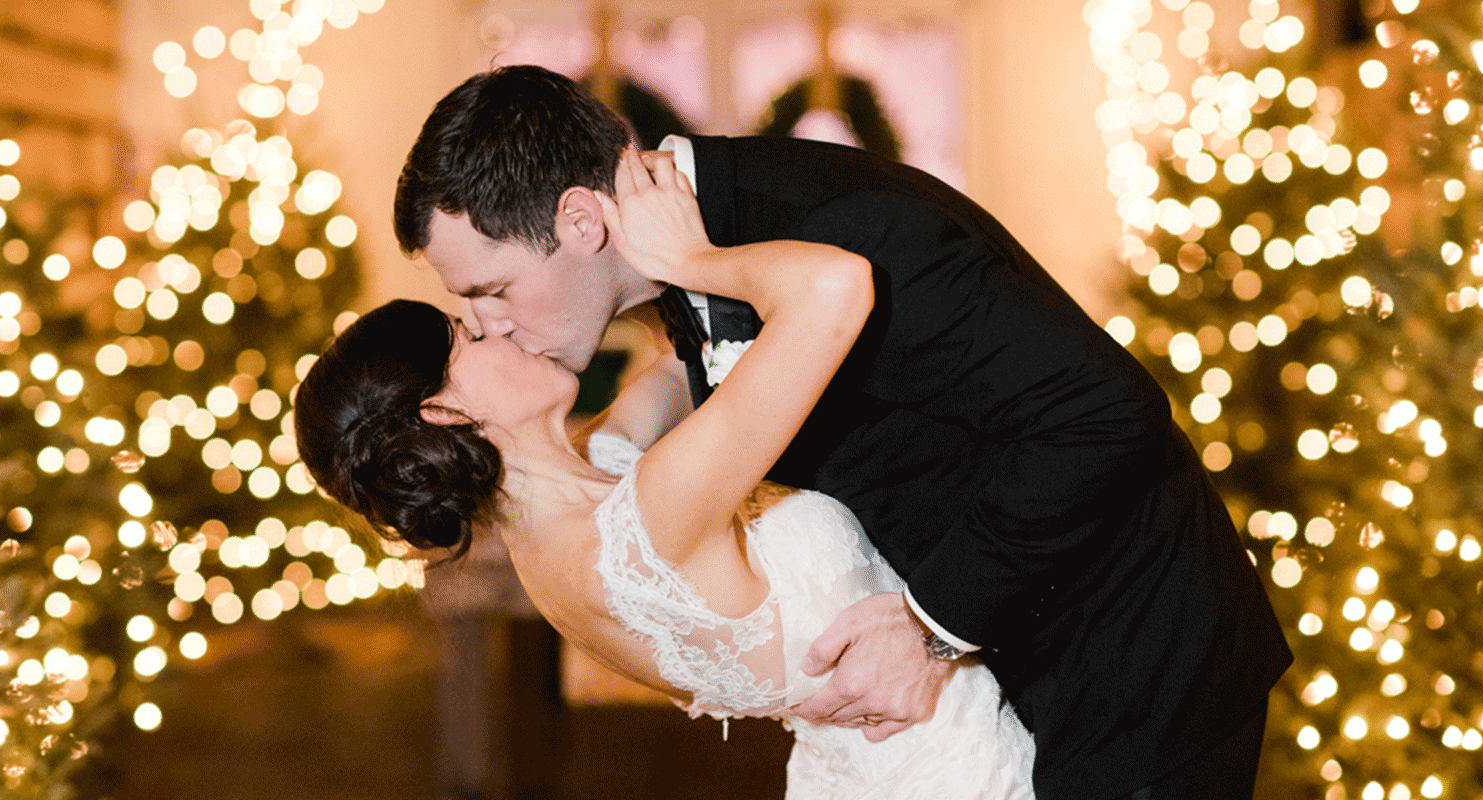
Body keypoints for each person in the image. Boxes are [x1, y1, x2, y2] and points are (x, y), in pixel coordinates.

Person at [388, 65, 1292, 800]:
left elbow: (1103, 415)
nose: (494, 324)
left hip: (1127, 660)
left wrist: (930, 627)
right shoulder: (695, 270)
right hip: (1007, 684)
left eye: (491, 292)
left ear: (582, 221)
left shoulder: (828, 231)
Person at [297, 151, 1037, 796]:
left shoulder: (587, 487)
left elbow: (680, 366)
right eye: (466, 333)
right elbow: (832, 290)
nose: (497, 323)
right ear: (446, 415)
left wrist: (626, 227)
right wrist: (690, 261)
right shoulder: (644, 518)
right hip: (965, 771)